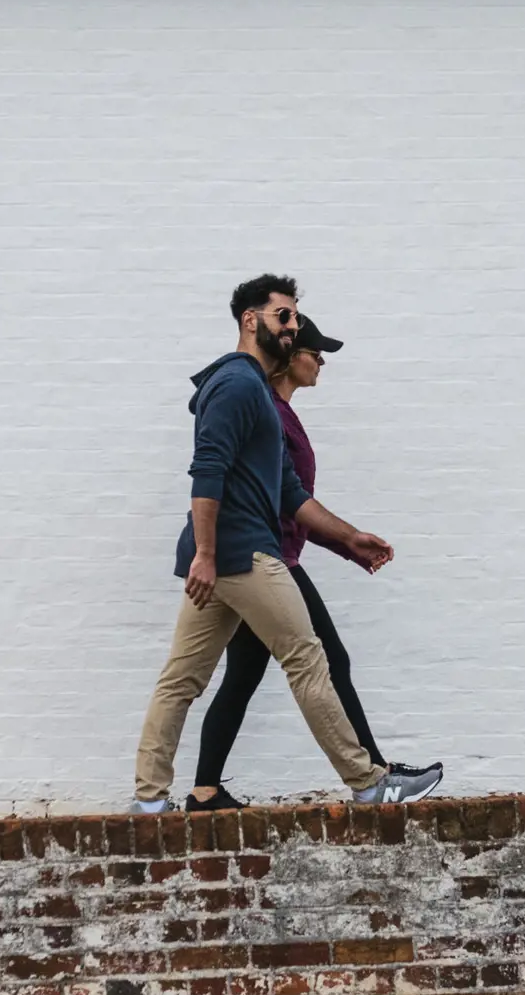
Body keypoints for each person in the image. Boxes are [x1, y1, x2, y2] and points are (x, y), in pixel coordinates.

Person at [131, 275, 445, 813]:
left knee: (182, 679)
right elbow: (207, 472)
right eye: (283, 316)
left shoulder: (255, 392)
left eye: (295, 318)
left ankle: (149, 801)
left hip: (225, 558)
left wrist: (350, 539)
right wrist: (206, 555)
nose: (293, 327)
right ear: (250, 320)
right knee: (307, 657)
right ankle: (369, 782)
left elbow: (291, 493)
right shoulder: (235, 383)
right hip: (242, 555)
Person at [185, 312, 409, 810]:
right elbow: (282, 498)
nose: (321, 360)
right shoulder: (272, 414)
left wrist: (345, 543)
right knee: (329, 660)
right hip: (268, 559)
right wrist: (344, 541)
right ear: (289, 359)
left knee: (242, 676)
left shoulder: (282, 414)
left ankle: (204, 790)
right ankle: (377, 776)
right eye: (314, 351)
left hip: (268, 555)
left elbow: (292, 498)